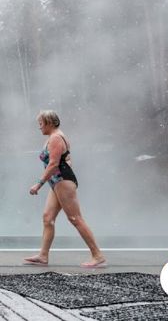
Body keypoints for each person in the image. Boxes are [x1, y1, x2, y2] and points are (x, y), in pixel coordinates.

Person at [24, 110, 106, 268]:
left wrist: (39, 184)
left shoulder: (56, 138)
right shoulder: (53, 137)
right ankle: (43, 255)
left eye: (41, 124)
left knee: (75, 218)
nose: (39, 127)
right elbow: (66, 159)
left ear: (49, 123)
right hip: (56, 181)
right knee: (48, 217)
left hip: (62, 180)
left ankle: (98, 255)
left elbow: (53, 164)